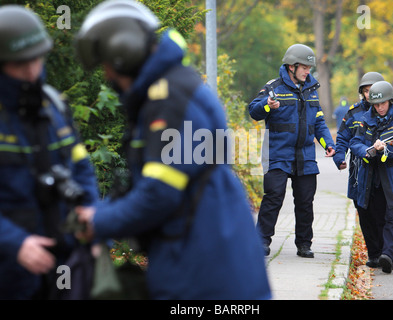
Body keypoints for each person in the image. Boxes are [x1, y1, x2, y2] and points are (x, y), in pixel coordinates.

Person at [74, 0, 271, 299]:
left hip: (205, 278)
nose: (108, 76)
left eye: (105, 65)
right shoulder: (172, 90)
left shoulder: (170, 100)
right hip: (205, 263)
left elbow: (159, 194)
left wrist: (98, 221)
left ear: (122, 54)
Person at [0, 5, 99, 299]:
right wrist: (14, 243)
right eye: (20, 65)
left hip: (64, 269)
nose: (31, 72)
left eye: (36, 60)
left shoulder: (54, 106)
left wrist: (93, 219)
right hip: (10, 273)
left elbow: (82, 168)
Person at [248, 44, 335, 257]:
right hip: (278, 154)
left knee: (305, 202)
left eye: (309, 67)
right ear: (291, 66)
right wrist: (267, 105)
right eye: (304, 67)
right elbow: (254, 111)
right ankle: (261, 241)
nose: (308, 71)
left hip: (305, 156)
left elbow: (319, 123)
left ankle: (304, 244)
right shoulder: (273, 87)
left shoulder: (312, 89)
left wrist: (328, 144)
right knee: (273, 197)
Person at [333, 72, 393, 268]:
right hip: (368, 175)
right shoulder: (362, 117)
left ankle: (389, 255)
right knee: (371, 216)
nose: (379, 106)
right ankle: (384, 255)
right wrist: (367, 150)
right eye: (375, 102)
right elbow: (351, 140)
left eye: (383, 102)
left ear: (390, 100)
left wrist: (389, 151)